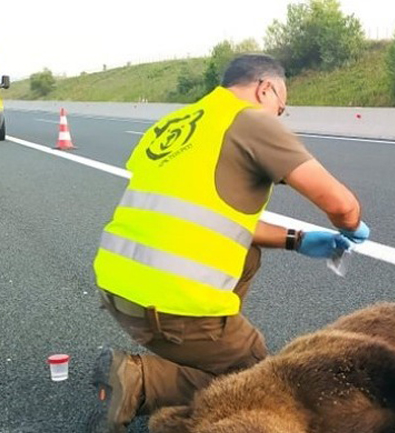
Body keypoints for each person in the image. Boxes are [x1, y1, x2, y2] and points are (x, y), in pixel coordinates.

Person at [88, 54, 370, 432]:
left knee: (247, 254)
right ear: (264, 88)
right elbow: (341, 204)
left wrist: (297, 239)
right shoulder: (250, 120)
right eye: (280, 108)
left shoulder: (179, 121)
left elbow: (212, 217)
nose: (279, 118)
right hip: (168, 305)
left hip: (119, 288)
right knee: (262, 384)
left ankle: (209, 349)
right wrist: (352, 226)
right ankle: (141, 382)